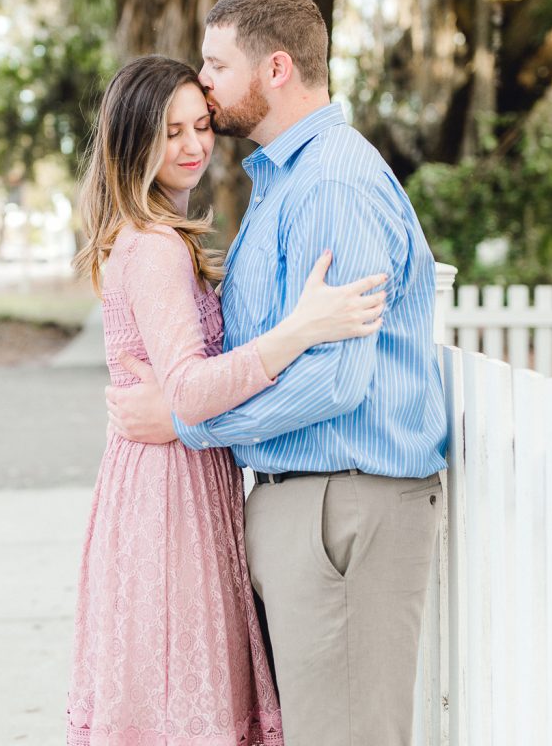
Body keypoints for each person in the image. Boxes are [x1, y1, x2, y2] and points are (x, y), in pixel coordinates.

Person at [105, 0, 449, 746]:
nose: (204, 78)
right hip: (303, 505)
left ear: (276, 69)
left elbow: (336, 377)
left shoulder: (329, 182)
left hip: (345, 505)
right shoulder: (283, 180)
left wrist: (190, 422)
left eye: (216, 64)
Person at [67, 53, 387, 746]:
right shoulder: (154, 247)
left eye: (200, 125)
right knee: (185, 694)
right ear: (133, 143)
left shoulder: (157, 236)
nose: (192, 146)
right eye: (169, 132)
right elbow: (187, 387)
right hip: (168, 497)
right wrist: (300, 331)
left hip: (170, 477)